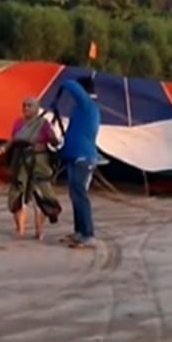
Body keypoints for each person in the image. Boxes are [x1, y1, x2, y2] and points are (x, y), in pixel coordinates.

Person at [0, 96, 62, 239]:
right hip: (19, 160)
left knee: (42, 193)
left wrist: (54, 135)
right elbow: (13, 140)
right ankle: (20, 230)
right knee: (17, 193)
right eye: (24, 105)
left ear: (37, 108)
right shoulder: (18, 123)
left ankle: (40, 231)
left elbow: (54, 142)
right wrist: (4, 149)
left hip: (39, 160)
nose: (25, 108)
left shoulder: (43, 124)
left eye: (29, 105)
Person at [57, 75, 100, 249]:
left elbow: (72, 86)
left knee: (80, 195)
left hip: (84, 157)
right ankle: (79, 232)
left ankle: (88, 234)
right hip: (75, 156)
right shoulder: (82, 109)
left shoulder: (87, 105)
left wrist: (63, 82)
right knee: (75, 194)